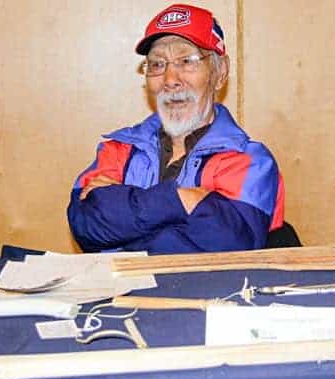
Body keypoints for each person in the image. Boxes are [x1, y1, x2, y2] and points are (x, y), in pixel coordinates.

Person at [67, 3, 286, 254]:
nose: (170, 80)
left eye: (186, 61)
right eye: (158, 64)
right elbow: (87, 225)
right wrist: (184, 199)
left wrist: (125, 224)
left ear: (221, 72)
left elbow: (230, 242)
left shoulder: (250, 161)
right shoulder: (117, 150)